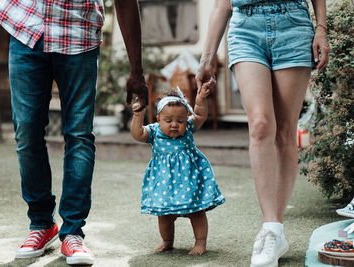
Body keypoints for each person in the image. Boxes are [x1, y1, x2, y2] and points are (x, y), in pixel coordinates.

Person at [0, 0, 147, 265]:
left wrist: (137, 70)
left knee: (79, 135)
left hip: (78, 33)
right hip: (27, 27)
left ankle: (73, 233)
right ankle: (42, 224)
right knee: (26, 133)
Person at [196, 0, 329, 266]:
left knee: (284, 131)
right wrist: (207, 57)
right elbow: (222, 5)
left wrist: (321, 28)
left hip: (293, 25)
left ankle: (275, 230)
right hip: (246, 28)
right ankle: (269, 227)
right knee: (259, 125)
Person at [130, 81, 225, 255]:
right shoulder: (154, 132)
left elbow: (200, 116)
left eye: (180, 120)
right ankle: (167, 240)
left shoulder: (188, 127)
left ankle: (200, 242)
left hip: (189, 179)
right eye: (168, 120)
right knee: (164, 216)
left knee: (196, 211)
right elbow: (138, 134)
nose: (174, 124)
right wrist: (138, 114)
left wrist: (201, 98)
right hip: (164, 182)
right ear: (158, 119)